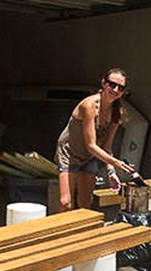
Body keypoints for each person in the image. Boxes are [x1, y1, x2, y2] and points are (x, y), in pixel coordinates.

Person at [54, 68, 134, 210]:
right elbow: (90, 144)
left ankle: (84, 231)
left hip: (90, 156)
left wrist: (111, 172)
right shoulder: (89, 106)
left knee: (85, 202)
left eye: (120, 88)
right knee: (65, 202)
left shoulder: (117, 112)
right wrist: (116, 163)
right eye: (112, 84)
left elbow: (107, 146)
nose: (115, 90)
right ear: (103, 83)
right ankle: (65, 231)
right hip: (70, 153)